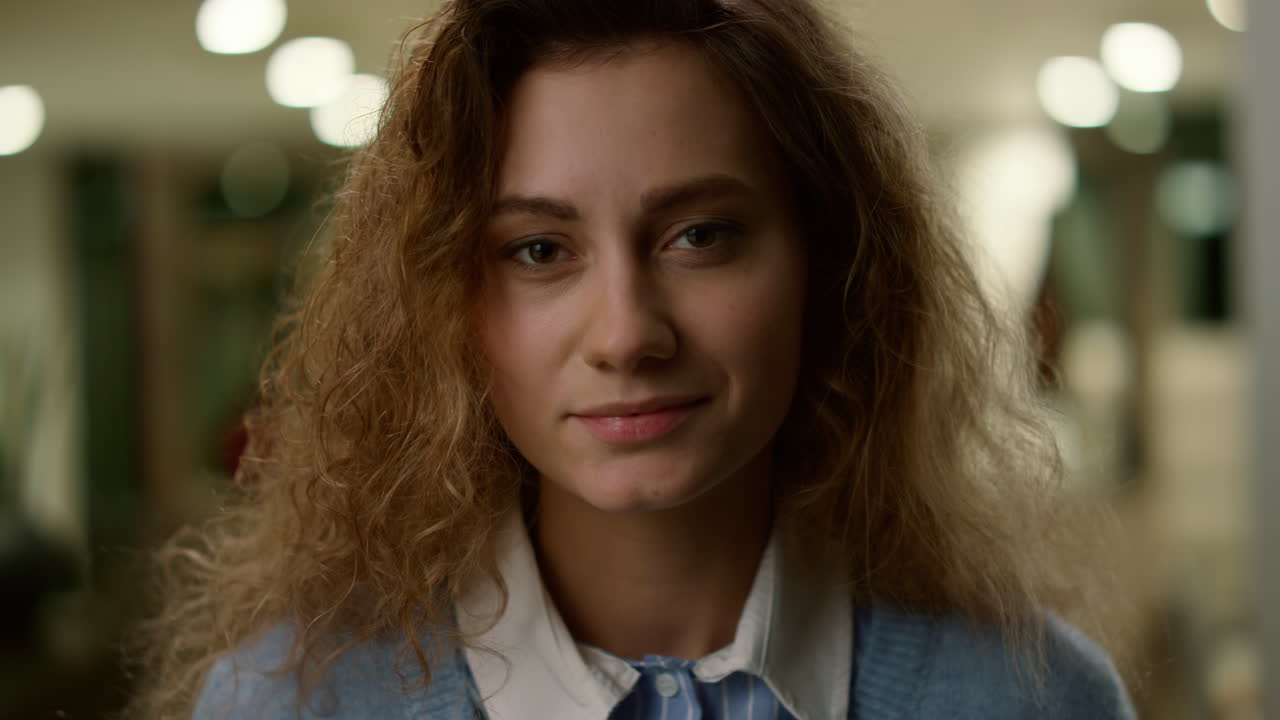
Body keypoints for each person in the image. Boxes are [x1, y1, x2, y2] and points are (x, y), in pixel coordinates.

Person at [129, 0, 1137, 717]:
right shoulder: (292, 706)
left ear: (826, 265)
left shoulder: (1030, 697)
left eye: (698, 235)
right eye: (537, 251)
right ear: (443, 305)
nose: (624, 335)